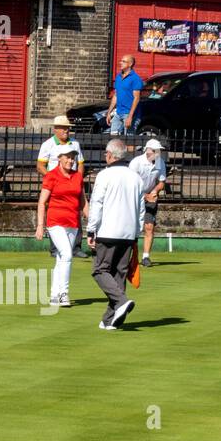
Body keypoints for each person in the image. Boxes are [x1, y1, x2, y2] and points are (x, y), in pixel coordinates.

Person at [86, 138, 145, 331]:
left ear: (111, 155)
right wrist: (137, 231)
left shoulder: (104, 175)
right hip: (128, 233)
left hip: (108, 231)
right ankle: (109, 320)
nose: (104, 156)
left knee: (100, 270)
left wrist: (91, 229)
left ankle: (121, 301)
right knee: (119, 274)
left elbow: (97, 204)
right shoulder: (136, 177)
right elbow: (141, 209)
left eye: (105, 153)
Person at [35, 145, 87, 308]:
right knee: (67, 254)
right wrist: (40, 225)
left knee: (61, 258)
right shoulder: (51, 176)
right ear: (59, 158)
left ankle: (54, 295)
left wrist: (92, 223)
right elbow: (42, 202)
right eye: (68, 157)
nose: (71, 160)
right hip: (55, 221)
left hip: (73, 223)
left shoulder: (78, 177)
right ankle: (64, 293)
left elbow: (83, 202)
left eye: (73, 157)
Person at [130, 138, 167, 266]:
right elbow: (130, 185)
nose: (158, 153)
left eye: (159, 151)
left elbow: (161, 182)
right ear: (148, 151)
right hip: (134, 198)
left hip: (149, 197)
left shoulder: (160, 162)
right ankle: (129, 256)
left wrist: (155, 191)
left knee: (149, 227)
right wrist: (145, 196)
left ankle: (146, 257)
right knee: (131, 229)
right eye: (156, 151)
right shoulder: (136, 163)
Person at [35, 115, 84, 180]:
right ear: (55, 129)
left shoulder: (75, 144)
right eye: (63, 128)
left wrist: (78, 179)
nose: (66, 130)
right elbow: (40, 166)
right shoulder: (47, 144)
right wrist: (52, 179)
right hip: (54, 181)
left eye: (68, 128)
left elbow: (80, 164)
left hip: (72, 180)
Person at [106, 54, 143, 135]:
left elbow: (136, 98)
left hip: (130, 114)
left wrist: (130, 117)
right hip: (118, 113)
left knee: (129, 141)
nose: (120, 63)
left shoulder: (135, 79)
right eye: (121, 61)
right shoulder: (118, 77)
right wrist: (109, 112)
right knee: (114, 139)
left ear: (130, 64)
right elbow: (116, 95)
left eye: (124, 61)